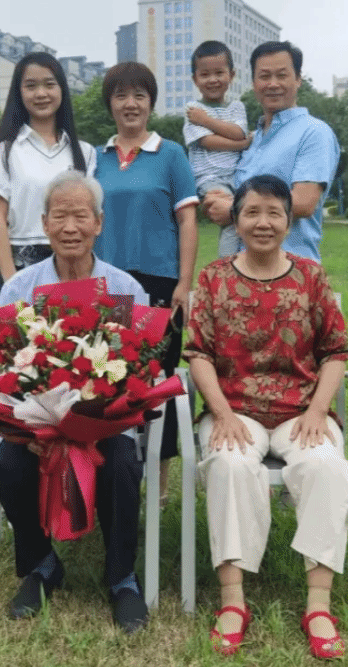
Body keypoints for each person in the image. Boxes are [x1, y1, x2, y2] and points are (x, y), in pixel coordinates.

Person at [185, 174, 348, 659]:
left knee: (328, 466)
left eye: (274, 213)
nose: (263, 223)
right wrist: (221, 413)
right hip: (234, 410)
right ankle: (233, 602)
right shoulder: (214, 278)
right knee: (230, 463)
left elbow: (336, 353)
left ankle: (318, 606)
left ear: (288, 220)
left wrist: (318, 410)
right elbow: (198, 354)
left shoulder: (311, 277)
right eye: (252, 212)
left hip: (300, 412)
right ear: (236, 220)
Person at [0, 171, 151, 633]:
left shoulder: (124, 289)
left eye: (81, 216)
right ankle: (41, 565)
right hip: (35, 427)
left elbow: (139, 368)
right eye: (60, 216)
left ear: (99, 223)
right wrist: (26, 429)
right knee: (8, 465)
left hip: (105, 426)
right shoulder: (20, 288)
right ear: (44, 224)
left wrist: (102, 420)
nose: (70, 227)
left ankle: (122, 578)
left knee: (121, 463)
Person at [93, 61, 198, 501]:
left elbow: (188, 220)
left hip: (159, 285)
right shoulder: (94, 159)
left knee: (158, 378)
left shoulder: (170, 154)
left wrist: (183, 283)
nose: (130, 104)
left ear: (151, 103)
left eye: (139, 95)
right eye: (121, 95)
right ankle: (109, 477)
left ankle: (158, 484)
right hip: (109, 288)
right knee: (107, 373)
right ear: (110, 104)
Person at [202, 41, 340, 263]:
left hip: (291, 271)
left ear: (298, 79)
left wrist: (233, 209)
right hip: (241, 269)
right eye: (264, 76)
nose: (273, 84)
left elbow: (304, 202)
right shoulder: (252, 140)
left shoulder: (314, 132)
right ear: (254, 83)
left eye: (282, 75)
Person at [0, 52, 96, 307]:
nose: (41, 93)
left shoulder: (85, 153)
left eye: (49, 84)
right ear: (19, 93)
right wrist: (12, 285)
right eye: (31, 86)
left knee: (69, 335)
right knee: (20, 335)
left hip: (71, 275)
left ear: (62, 89)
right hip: (17, 272)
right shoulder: (5, 151)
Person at [183, 40, 250, 258]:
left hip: (237, 177)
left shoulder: (237, 107)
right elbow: (206, 141)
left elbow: (238, 132)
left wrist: (207, 121)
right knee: (232, 218)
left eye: (219, 73)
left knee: (247, 218)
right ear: (195, 79)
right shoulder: (194, 110)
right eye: (205, 74)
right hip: (210, 179)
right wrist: (242, 145)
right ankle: (226, 269)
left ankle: (245, 266)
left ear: (232, 75)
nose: (213, 80)